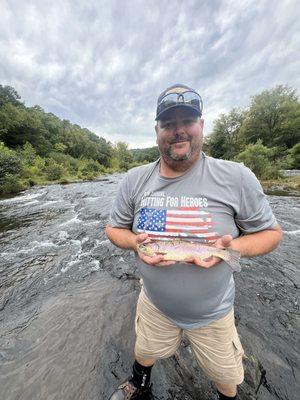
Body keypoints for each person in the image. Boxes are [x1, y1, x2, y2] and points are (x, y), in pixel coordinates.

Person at [106, 84, 282, 400]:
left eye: (186, 121)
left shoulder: (237, 177)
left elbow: (272, 234)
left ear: (201, 125)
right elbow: (113, 229)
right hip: (154, 306)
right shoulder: (134, 180)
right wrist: (134, 241)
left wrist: (232, 248)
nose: (178, 131)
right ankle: (139, 382)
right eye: (168, 123)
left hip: (213, 313)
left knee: (226, 378)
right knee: (145, 349)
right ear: (157, 130)